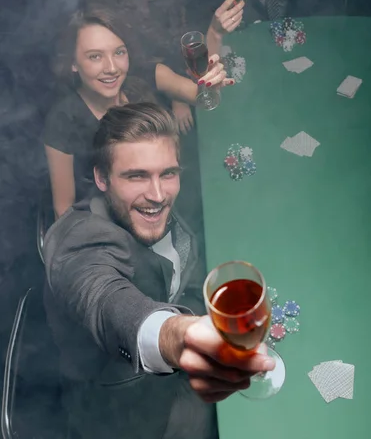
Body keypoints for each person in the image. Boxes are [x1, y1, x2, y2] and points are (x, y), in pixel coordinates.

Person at [43, 102, 275, 439]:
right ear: (101, 178)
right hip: (128, 412)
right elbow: (106, 300)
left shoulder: (148, 210)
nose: (157, 195)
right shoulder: (79, 245)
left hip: (180, 376)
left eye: (168, 173)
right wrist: (177, 334)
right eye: (136, 176)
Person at [44, 5, 232, 219]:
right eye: (95, 57)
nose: (112, 68)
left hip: (164, 197)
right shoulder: (63, 121)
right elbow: (64, 211)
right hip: (109, 218)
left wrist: (214, 36)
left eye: (119, 52)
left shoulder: (141, 78)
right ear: (73, 63)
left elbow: (205, 97)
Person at [92, 0, 245, 131]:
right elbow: (203, 95)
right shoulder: (116, 31)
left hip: (180, 90)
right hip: (148, 119)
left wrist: (213, 35)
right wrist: (215, 33)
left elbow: (194, 60)